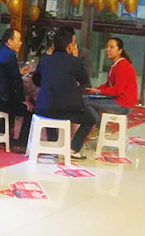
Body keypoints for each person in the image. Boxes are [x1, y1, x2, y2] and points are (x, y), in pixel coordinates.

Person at [33, 27, 97, 159]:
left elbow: (36, 81)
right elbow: (85, 81)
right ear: (69, 46)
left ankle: (53, 144)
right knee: (90, 119)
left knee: (50, 105)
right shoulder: (75, 61)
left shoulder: (44, 60)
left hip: (43, 108)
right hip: (67, 110)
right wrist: (75, 58)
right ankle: (73, 149)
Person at [85, 37, 138, 117]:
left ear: (120, 51)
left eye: (111, 47)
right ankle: (97, 122)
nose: (108, 49)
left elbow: (117, 90)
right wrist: (95, 90)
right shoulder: (115, 65)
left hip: (122, 104)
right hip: (117, 100)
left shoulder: (123, 66)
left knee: (85, 102)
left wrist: (98, 91)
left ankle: (97, 124)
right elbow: (108, 84)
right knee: (86, 99)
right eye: (107, 47)